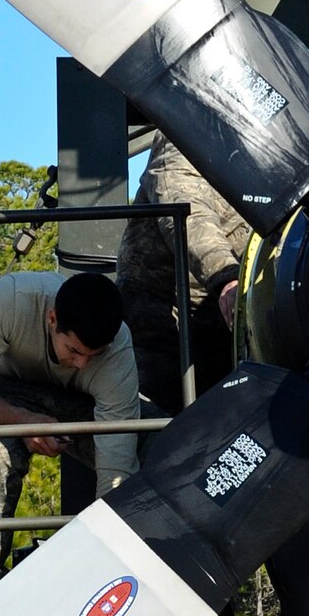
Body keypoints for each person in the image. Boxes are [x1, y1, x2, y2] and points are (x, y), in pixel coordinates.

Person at [0, 270, 138, 610]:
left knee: (154, 459)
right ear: (51, 318)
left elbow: (116, 470)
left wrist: (110, 557)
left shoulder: (117, 350)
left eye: (94, 355)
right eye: (74, 350)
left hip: (78, 409)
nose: (81, 364)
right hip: (3, 395)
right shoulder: (12, 301)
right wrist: (23, 422)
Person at [117, 131, 250, 410]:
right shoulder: (187, 132)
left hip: (237, 332)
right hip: (164, 333)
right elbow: (185, 207)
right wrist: (225, 276)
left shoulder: (286, 141)